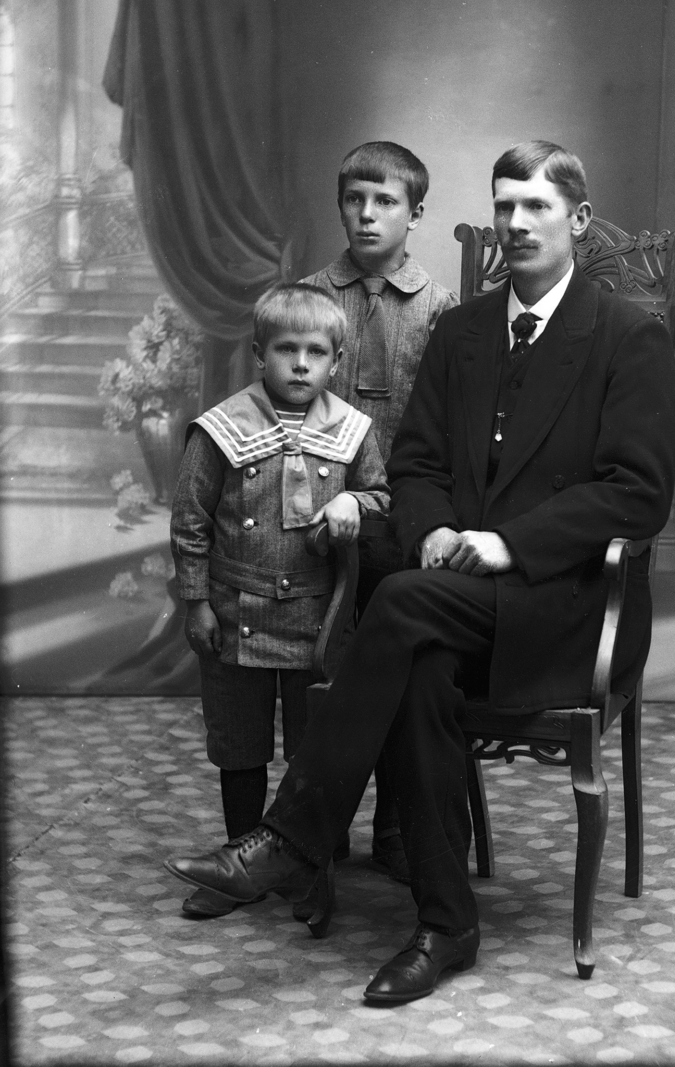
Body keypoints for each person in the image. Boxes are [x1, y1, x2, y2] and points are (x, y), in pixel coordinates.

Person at [164, 141, 675, 1003]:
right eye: (504, 205)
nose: (516, 223)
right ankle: (447, 926)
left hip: (570, 605)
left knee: (401, 605)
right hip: (457, 601)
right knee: (420, 661)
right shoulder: (463, 330)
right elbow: (417, 463)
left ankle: (290, 838)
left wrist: (509, 545)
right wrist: (435, 526)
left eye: (537, 206)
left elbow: (640, 494)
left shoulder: (628, 335)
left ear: (579, 220)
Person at [169, 283, 388, 919]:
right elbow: (190, 523)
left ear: (335, 363)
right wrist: (196, 603)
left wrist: (353, 499)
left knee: (311, 748)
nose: (300, 364)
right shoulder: (221, 430)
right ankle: (237, 867)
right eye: (286, 349)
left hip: (318, 620)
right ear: (259, 353)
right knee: (239, 746)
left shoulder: (352, 432)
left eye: (315, 352)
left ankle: (306, 864)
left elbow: (383, 497)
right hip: (233, 613)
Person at [301, 141, 458, 884]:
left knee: (402, 662)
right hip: (317, 517)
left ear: (415, 215)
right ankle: (320, 826)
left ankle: (396, 827)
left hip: (403, 518)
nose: (367, 215)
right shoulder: (309, 297)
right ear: (340, 205)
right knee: (320, 665)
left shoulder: (439, 307)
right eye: (354, 200)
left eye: (386, 202)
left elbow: (448, 425)